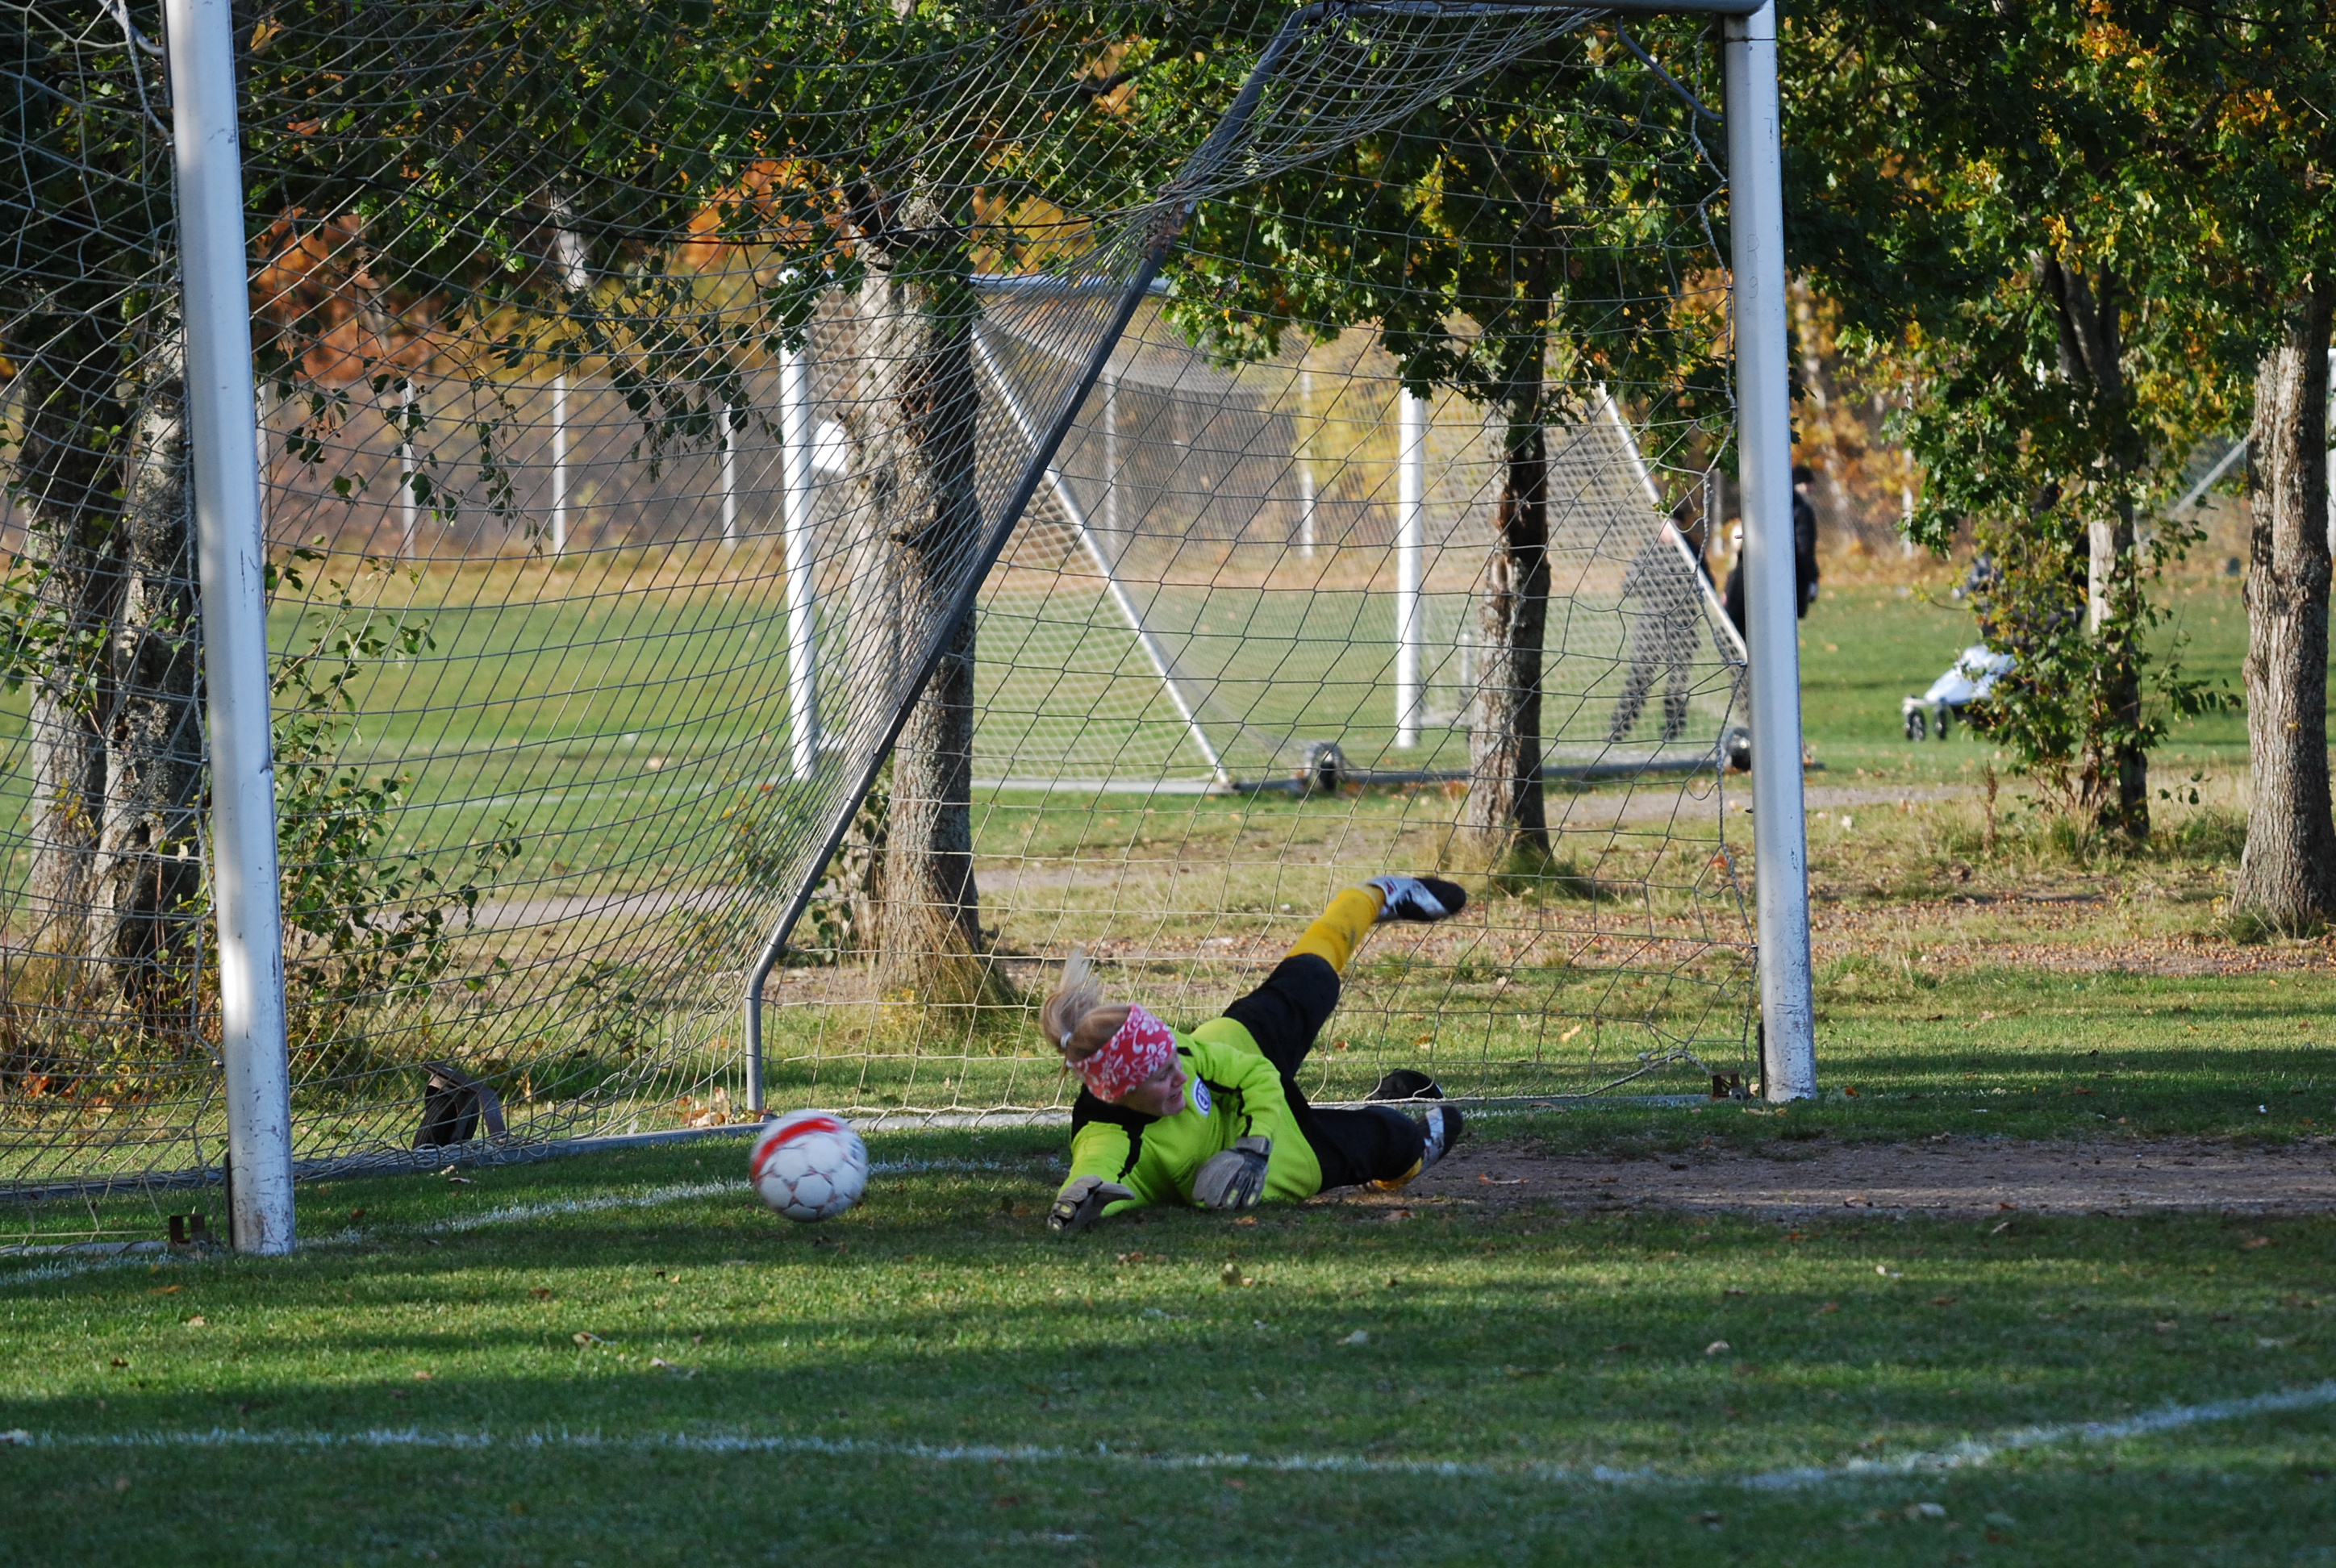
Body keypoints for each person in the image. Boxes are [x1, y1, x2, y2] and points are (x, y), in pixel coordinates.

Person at [1044, 876, 1470, 1232]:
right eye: (1161, 1077)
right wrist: (1077, 1205)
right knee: (1397, 1138)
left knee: (1312, 977)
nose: (1180, 1076)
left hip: (1240, 1058)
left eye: (1173, 1061)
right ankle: (1399, 1163)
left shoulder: (1177, 1052)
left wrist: (1254, 1142)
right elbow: (1096, 1176)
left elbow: (1254, 1074)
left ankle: (1372, 896)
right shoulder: (1109, 1136)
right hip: (1283, 1156)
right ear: (1119, 1092)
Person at [1608, 505, 1713, 744]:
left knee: (1677, 684)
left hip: (1683, 627)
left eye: (1676, 525)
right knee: (1638, 680)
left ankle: (1673, 732)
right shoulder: (1648, 551)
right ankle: (1618, 730)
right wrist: (1654, 582)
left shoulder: (1691, 551)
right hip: (1651, 629)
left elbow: (1708, 587)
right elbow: (1629, 587)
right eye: (1667, 525)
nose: (1671, 530)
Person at [1721, 464, 1822, 635]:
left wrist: (1730, 586)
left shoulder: (1759, 508)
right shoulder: (1800, 511)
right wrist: (1812, 579)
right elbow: (1804, 550)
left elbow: (1742, 552)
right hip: (1779, 584)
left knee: (1743, 634)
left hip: (1750, 582)